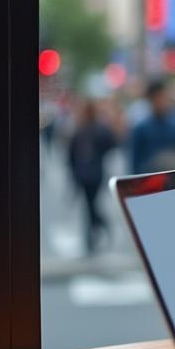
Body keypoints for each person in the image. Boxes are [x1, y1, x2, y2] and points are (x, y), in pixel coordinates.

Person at [66, 98, 118, 255]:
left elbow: (110, 143)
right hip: (84, 174)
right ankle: (94, 233)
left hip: (93, 174)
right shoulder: (80, 130)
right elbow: (72, 155)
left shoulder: (96, 130)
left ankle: (93, 233)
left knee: (90, 206)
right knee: (89, 206)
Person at [128, 80, 175, 174]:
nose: (161, 101)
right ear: (149, 99)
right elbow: (135, 162)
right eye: (157, 97)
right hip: (150, 181)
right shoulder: (140, 129)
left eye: (163, 97)